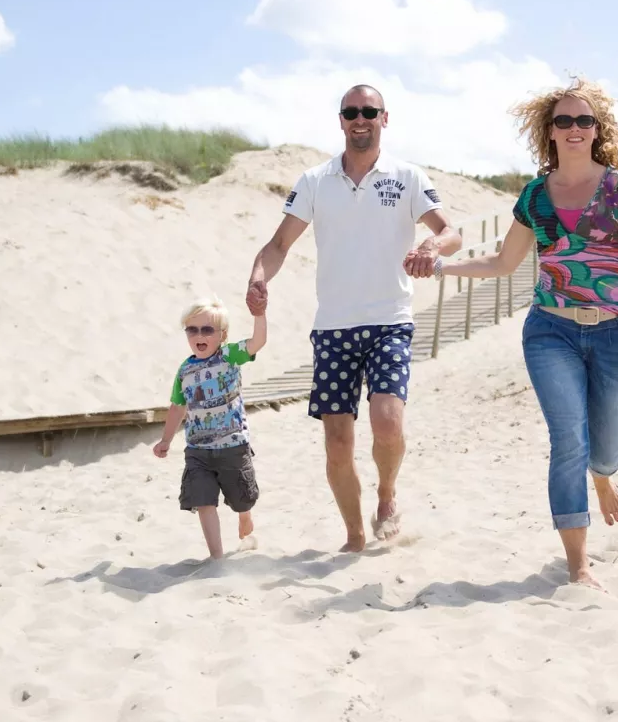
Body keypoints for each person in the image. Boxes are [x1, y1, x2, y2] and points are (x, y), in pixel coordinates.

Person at [411, 79, 618, 587]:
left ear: (597, 130)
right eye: (565, 121)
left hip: (617, 333)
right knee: (568, 442)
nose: (575, 128)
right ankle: (578, 567)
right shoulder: (535, 196)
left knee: (604, 450)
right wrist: (443, 269)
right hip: (550, 332)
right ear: (551, 132)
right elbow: (502, 262)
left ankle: (603, 479)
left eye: (585, 121)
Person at [246, 84, 462, 552]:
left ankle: (386, 495)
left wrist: (430, 246)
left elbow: (451, 232)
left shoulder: (408, 176)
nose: (359, 119)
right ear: (340, 120)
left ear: (385, 118)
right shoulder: (314, 181)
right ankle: (354, 535)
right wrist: (259, 277)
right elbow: (279, 245)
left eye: (369, 111)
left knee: (388, 424)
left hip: (389, 322)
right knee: (338, 443)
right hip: (332, 329)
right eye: (351, 112)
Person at [152, 296, 268, 560]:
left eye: (207, 330)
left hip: (232, 445)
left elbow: (257, 342)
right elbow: (177, 407)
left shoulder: (229, 355)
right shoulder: (185, 370)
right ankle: (217, 557)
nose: (199, 335)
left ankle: (244, 516)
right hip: (198, 450)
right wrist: (166, 440)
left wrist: (259, 314)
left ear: (222, 335)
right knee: (203, 500)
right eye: (192, 330)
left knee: (242, 497)